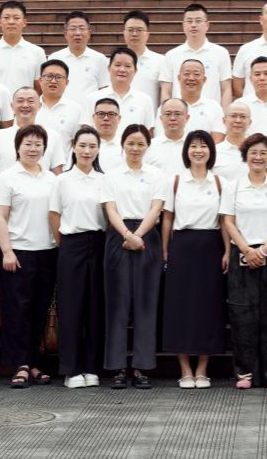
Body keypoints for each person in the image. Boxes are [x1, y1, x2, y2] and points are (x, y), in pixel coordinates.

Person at [157, 130, 230, 389]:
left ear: (211, 151)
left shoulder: (219, 182)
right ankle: (185, 369)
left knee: (208, 308)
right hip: (182, 246)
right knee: (180, 308)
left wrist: (227, 251)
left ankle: (202, 369)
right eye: (193, 146)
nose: (198, 150)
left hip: (211, 247)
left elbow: (225, 220)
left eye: (203, 146)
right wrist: (165, 250)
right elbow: (167, 218)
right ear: (186, 151)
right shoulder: (176, 181)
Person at [221, 133, 267, 389]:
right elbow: (228, 221)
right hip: (241, 253)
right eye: (253, 152)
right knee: (242, 315)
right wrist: (246, 250)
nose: (258, 157)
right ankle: (245, 372)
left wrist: (264, 251)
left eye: (263, 153)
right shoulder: (234, 187)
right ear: (245, 156)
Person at [0, 125, 60, 388]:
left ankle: (33, 362)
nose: (33, 149)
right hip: (18, 252)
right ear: (18, 147)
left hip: (47, 251)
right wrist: (7, 251)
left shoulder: (51, 179)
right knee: (17, 310)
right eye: (28, 144)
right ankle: (19, 364)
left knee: (39, 310)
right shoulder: (7, 178)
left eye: (38, 144)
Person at [104, 124, 166, 389]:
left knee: (145, 303)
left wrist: (138, 235)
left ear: (147, 147)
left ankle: (142, 366)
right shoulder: (111, 175)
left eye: (141, 144)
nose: (135, 148)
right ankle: (117, 367)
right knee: (117, 303)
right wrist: (128, 235)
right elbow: (110, 210)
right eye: (131, 143)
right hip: (118, 236)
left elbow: (156, 208)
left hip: (147, 236)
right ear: (123, 145)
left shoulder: (156, 175)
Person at [49, 126, 110, 388]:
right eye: (82, 145)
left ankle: (92, 366)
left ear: (98, 150)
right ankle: (71, 369)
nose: (87, 151)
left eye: (92, 146)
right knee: (71, 307)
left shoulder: (104, 180)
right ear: (73, 147)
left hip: (99, 244)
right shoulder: (62, 180)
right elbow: (54, 215)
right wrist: (63, 243)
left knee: (95, 307)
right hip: (71, 244)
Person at [160, 3, 232, 107]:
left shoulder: (221, 53)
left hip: (210, 112)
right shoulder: (171, 55)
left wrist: (223, 114)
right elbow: (166, 90)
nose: (193, 25)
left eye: (198, 21)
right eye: (189, 21)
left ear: (207, 25)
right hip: (179, 113)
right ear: (183, 25)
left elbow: (226, 89)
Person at [0, 88, 55, 183]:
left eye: (31, 101)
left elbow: (57, 174)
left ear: (39, 106)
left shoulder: (52, 136)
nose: (25, 105)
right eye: (20, 101)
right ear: (12, 106)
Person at [87, 47, 155, 130]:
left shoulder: (145, 100)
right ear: (109, 68)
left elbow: (149, 133)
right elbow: (86, 131)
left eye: (127, 66)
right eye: (117, 65)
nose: (122, 70)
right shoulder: (93, 98)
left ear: (135, 71)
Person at [49, 10, 109, 101]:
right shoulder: (54, 58)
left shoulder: (100, 59)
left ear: (89, 33)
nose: (77, 33)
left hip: (90, 109)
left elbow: (104, 90)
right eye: (73, 29)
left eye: (82, 29)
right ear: (65, 33)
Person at [159, 59, 226, 139]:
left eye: (196, 74)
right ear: (179, 78)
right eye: (187, 74)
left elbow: (218, 139)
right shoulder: (166, 107)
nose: (191, 78)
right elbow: (161, 137)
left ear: (204, 79)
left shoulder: (214, 107)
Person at [0, 0, 45, 94]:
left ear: (24, 22)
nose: (11, 22)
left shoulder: (37, 52)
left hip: (25, 103)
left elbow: (39, 87)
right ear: (0, 22)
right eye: (6, 18)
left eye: (16, 18)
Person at [36, 59, 84, 164]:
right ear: (40, 80)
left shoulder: (75, 110)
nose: (53, 81)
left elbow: (77, 143)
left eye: (58, 77)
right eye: (49, 76)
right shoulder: (30, 107)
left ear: (67, 82)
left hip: (63, 168)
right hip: (32, 167)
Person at [123, 10, 166, 110]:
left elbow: (165, 93)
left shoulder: (161, 61)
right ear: (124, 33)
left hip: (148, 118)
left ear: (147, 34)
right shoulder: (114, 63)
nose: (134, 34)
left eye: (139, 30)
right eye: (130, 30)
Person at [146, 98, 190, 176]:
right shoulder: (149, 146)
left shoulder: (194, 146)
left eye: (177, 114)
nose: (172, 118)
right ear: (161, 118)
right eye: (168, 114)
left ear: (187, 118)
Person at [213, 101, 252, 181]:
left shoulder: (256, 152)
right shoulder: (214, 151)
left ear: (250, 122)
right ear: (224, 120)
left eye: (243, 116)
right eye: (233, 116)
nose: (238, 120)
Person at [90, 97, 127, 173]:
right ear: (93, 117)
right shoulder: (83, 145)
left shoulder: (126, 146)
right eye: (101, 114)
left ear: (119, 118)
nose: (106, 118)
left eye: (111, 114)